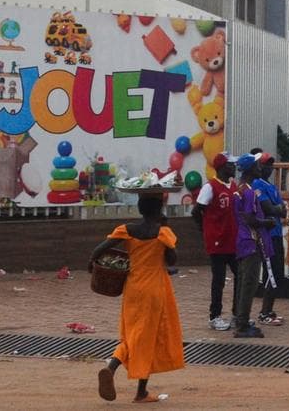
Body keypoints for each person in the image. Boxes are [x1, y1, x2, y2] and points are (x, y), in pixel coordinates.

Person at [91, 194, 185, 402]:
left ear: (140, 209)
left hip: (133, 288)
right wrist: (165, 229)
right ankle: (132, 385)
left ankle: (118, 371)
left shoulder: (127, 230)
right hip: (155, 290)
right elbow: (172, 260)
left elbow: (99, 250)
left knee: (132, 335)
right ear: (159, 209)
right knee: (147, 338)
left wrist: (93, 265)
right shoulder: (162, 233)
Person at [191, 153, 238, 331]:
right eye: (230, 165)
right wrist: (205, 230)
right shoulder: (210, 187)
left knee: (239, 276)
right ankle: (215, 316)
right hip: (218, 241)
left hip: (232, 240)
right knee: (219, 280)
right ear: (221, 167)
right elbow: (197, 211)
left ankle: (237, 313)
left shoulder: (232, 186)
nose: (233, 168)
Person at [230, 154, 275, 338]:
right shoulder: (248, 191)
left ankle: (242, 320)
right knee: (248, 283)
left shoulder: (239, 189)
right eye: (257, 165)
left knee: (243, 282)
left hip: (242, 240)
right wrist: (266, 223)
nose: (260, 168)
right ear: (250, 169)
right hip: (250, 241)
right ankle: (242, 324)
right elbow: (249, 218)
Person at [252, 153, 287, 327]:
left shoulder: (271, 186)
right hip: (267, 235)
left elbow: (283, 210)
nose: (269, 168)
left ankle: (269, 310)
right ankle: (264, 312)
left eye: (271, 165)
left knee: (278, 273)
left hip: (277, 234)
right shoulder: (257, 185)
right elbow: (269, 209)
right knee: (271, 274)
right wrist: (277, 208)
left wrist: (277, 208)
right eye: (266, 165)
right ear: (260, 166)